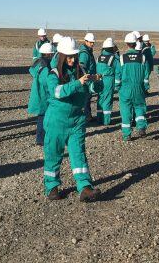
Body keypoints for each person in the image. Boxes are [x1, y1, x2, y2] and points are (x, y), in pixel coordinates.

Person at [43, 37, 102, 201]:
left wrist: (97, 83)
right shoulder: (53, 74)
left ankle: (85, 188)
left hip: (77, 121)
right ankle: (52, 187)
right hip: (56, 122)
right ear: (61, 56)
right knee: (53, 155)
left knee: (78, 154)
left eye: (74, 56)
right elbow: (57, 92)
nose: (72, 59)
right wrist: (78, 83)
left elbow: (91, 88)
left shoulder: (81, 71)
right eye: (68, 56)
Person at [116, 32, 149, 141]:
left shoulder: (122, 58)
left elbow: (118, 75)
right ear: (136, 43)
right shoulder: (142, 58)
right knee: (139, 107)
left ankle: (127, 135)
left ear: (126, 43)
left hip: (125, 89)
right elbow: (146, 74)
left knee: (125, 111)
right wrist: (145, 86)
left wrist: (117, 87)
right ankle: (142, 127)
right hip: (138, 88)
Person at [28, 42, 53, 145]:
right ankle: (41, 139)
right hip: (43, 95)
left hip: (37, 93)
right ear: (50, 54)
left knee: (41, 117)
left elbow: (32, 70)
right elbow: (46, 82)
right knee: (44, 117)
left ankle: (40, 137)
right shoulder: (46, 66)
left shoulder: (37, 62)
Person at [95, 37, 120, 125]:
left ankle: (99, 119)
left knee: (100, 99)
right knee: (107, 100)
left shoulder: (99, 57)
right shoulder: (114, 58)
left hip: (98, 80)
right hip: (108, 81)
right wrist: (117, 84)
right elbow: (118, 71)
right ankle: (106, 121)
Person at [78, 33, 97, 121]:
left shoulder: (88, 50)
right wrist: (87, 78)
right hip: (87, 79)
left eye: (93, 42)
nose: (92, 44)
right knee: (86, 97)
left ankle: (87, 115)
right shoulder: (84, 53)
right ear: (85, 41)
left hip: (89, 78)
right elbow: (82, 67)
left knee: (88, 97)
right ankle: (86, 116)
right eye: (90, 42)